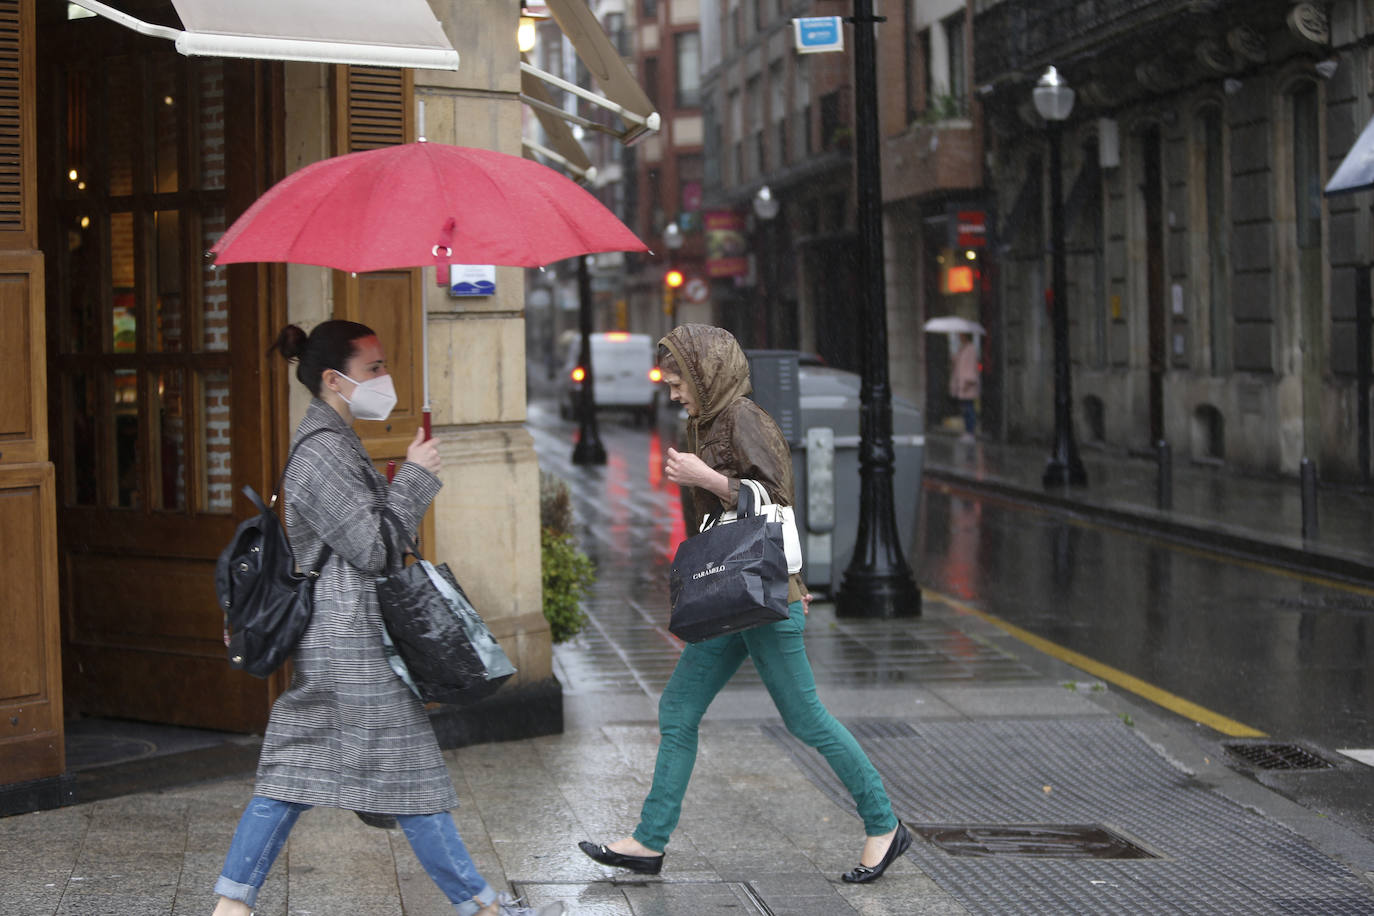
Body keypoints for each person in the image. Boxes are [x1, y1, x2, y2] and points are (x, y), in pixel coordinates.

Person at [212, 321, 562, 916]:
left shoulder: (336, 438)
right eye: (373, 368)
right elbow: (373, 548)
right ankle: (482, 907)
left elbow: (370, 535)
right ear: (333, 379)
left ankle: (232, 906)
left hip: (345, 641)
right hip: (349, 646)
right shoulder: (321, 451)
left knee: (292, 774)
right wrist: (418, 477)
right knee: (409, 774)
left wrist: (402, 478)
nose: (385, 378)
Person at [577, 324, 911, 884]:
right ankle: (648, 842)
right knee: (679, 709)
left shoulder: (744, 418)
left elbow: (778, 497)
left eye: (680, 379)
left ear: (708, 373)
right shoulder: (705, 423)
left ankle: (884, 825)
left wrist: (706, 476)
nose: (675, 391)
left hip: (769, 595)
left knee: (805, 719)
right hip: (732, 593)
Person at [950, 332, 980, 441]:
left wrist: (968, 381)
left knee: (969, 408)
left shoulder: (970, 349)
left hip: (967, 383)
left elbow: (971, 366)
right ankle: (968, 431)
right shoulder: (962, 348)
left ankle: (970, 432)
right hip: (962, 383)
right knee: (965, 408)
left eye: (961, 335)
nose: (959, 336)